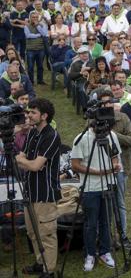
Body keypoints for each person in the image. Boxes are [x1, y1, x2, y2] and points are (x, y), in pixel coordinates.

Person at [70, 106, 122, 271]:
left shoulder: (111, 136)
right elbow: (75, 165)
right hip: (90, 188)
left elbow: (115, 156)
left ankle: (105, 252)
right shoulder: (82, 138)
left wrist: (115, 166)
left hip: (109, 185)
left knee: (106, 221)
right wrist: (98, 172)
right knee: (91, 223)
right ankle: (90, 254)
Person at [15, 99, 60, 278]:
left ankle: (49, 270)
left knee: (46, 234)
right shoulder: (33, 133)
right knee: (32, 232)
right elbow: (22, 158)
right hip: (30, 191)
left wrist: (27, 162)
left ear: (44, 116)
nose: (28, 115)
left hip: (45, 193)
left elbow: (34, 165)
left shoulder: (52, 135)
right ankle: (40, 263)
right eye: (28, 112)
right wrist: (28, 162)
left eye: (32, 112)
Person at [98, 90, 131, 248]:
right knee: (103, 204)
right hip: (99, 168)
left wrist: (113, 135)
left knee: (119, 202)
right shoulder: (94, 120)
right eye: (103, 103)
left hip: (120, 167)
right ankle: (106, 237)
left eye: (109, 102)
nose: (107, 105)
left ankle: (123, 236)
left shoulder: (123, 117)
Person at [24, 11, 48, 85]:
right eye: (33, 17)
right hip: (30, 49)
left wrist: (37, 26)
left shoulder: (42, 25)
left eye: (36, 17)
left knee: (40, 66)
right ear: (30, 18)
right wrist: (38, 35)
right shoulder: (26, 26)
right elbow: (28, 35)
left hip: (40, 49)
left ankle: (40, 80)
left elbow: (44, 34)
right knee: (30, 67)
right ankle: (31, 81)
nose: (35, 19)